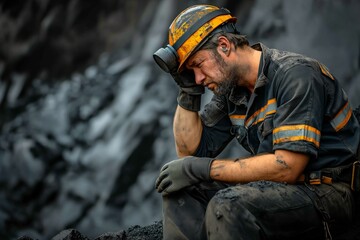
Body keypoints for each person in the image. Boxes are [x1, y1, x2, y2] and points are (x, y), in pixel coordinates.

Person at [153, 4, 360, 240]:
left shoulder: (296, 75)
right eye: (192, 73)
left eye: (198, 65)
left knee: (228, 206)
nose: (199, 78)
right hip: (278, 188)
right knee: (181, 189)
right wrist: (187, 89)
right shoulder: (233, 92)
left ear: (224, 45)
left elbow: (288, 167)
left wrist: (206, 169)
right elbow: (190, 152)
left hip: (328, 190)